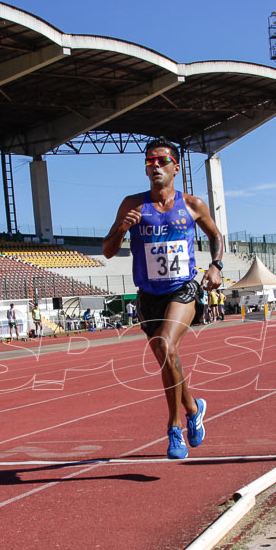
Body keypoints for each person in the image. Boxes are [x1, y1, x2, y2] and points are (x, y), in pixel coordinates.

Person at [102, 137, 222, 459]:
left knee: (168, 346)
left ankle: (174, 428)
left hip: (182, 289)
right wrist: (121, 231)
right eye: (149, 162)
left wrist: (215, 265)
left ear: (175, 167)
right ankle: (194, 408)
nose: (155, 166)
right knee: (168, 359)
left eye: (161, 161)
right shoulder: (132, 205)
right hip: (149, 295)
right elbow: (108, 251)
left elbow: (216, 236)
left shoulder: (193, 205)